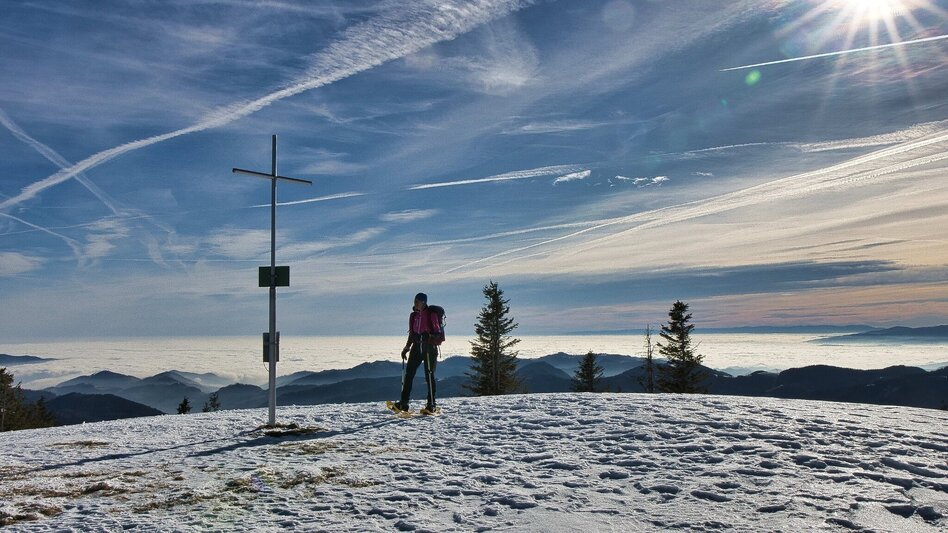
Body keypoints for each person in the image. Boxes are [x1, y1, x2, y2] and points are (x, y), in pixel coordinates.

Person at [391, 292, 441, 414]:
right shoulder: (413, 316)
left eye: (418, 301)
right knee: (409, 374)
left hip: (429, 348)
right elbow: (412, 334)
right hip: (416, 347)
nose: (415, 303)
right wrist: (406, 348)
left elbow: (437, 331)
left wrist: (430, 335)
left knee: (429, 375)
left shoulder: (431, 314)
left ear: (424, 302)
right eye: (415, 301)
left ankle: (431, 404)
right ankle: (403, 403)